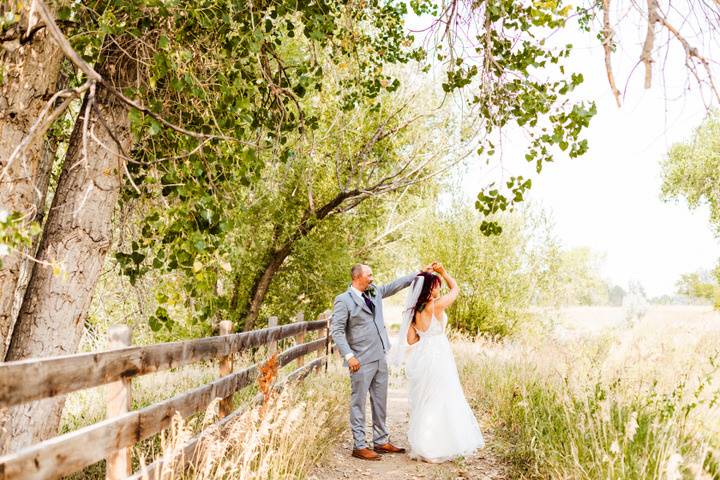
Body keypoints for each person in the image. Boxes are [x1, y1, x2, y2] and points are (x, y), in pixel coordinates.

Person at [330, 263, 432, 461]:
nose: (372, 278)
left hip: (380, 356)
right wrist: (349, 356)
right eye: (369, 275)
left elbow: (395, 285)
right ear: (358, 277)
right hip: (359, 360)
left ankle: (381, 440)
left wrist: (419, 274)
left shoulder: (374, 291)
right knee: (358, 403)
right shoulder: (343, 300)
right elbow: (337, 331)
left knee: (380, 401)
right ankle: (359, 446)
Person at [390, 262, 485, 463]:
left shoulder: (414, 311)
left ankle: (424, 443)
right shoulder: (437, 305)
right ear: (430, 288)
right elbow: (456, 289)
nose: (439, 288)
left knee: (426, 398)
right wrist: (444, 272)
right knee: (443, 395)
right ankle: (440, 443)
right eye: (437, 285)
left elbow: (411, 340)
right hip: (439, 355)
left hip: (423, 355)